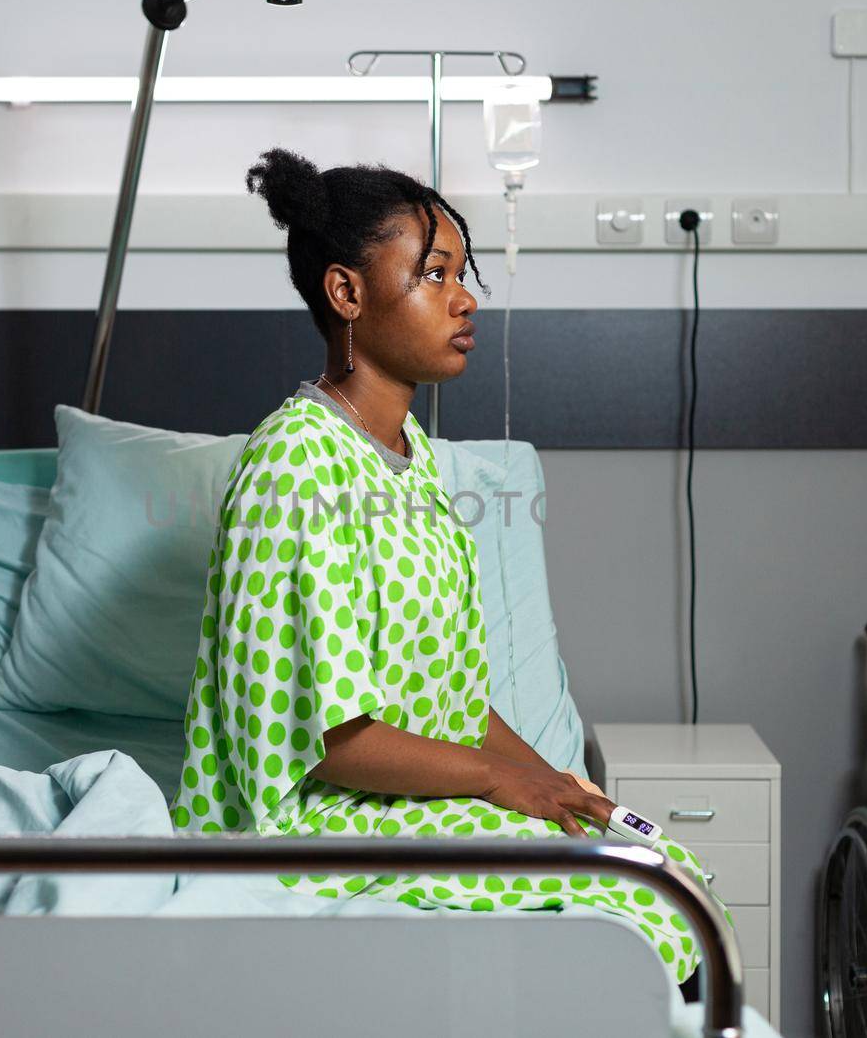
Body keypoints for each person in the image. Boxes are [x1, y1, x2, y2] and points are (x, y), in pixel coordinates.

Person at [170, 147, 720, 984]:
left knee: (664, 867)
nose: (465, 299)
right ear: (347, 292)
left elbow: (452, 702)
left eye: (462, 275)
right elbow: (337, 742)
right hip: (313, 827)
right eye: (433, 275)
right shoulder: (295, 467)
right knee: (639, 915)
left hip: (412, 801)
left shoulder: (412, 457)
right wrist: (503, 783)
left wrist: (560, 784)